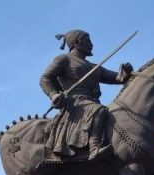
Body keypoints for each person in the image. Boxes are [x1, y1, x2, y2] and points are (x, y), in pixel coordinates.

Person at [40, 29, 132, 161]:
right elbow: (45, 78)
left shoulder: (94, 67)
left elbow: (117, 78)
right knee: (98, 110)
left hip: (92, 102)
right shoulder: (64, 59)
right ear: (77, 42)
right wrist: (54, 94)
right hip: (75, 103)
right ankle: (94, 148)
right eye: (88, 41)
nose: (91, 44)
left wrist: (125, 72)